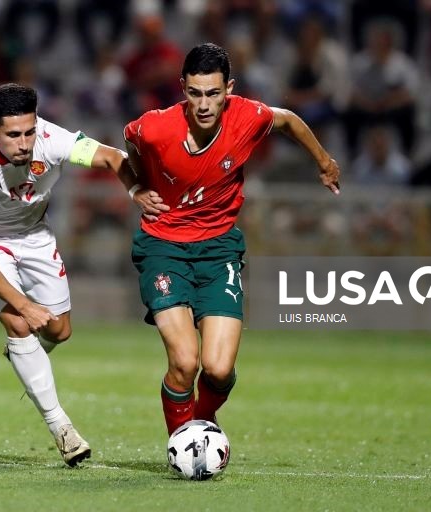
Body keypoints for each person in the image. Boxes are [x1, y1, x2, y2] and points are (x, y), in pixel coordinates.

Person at [123, 43, 340, 436]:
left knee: (219, 370)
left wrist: (324, 161)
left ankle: (203, 423)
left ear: (229, 90)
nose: (204, 104)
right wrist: (137, 186)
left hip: (219, 249)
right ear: (182, 89)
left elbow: (289, 120)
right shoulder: (155, 127)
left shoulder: (248, 116)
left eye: (213, 93)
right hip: (163, 247)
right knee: (185, 363)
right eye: (194, 93)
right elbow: (130, 143)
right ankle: (183, 441)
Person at [0, 83, 138, 467]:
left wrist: (137, 190)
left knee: (58, 330)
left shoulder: (50, 138)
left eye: (29, 131)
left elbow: (113, 157)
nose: (24, 143)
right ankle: (62, 430)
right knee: (19, 321)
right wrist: (23, 305)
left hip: (33, 235)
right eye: (13, 135)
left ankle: (23, 353)